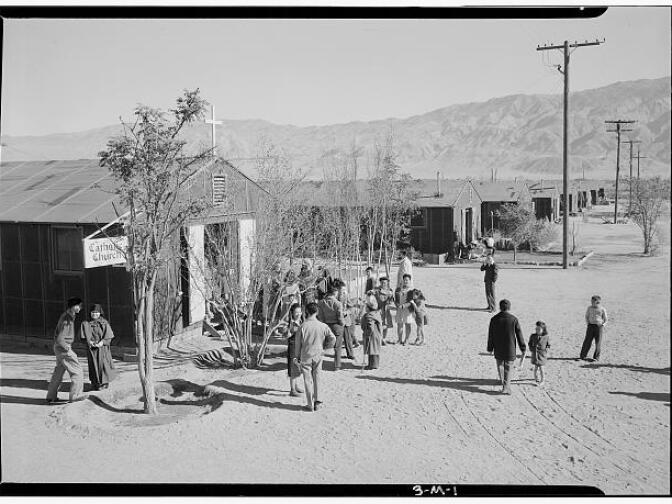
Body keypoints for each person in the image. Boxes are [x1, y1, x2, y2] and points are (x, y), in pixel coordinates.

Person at [293, 302, 336, 412]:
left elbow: (297, 344)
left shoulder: (302, 326)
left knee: (307, 380)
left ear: (306, 312)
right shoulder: (323, 326)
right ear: (317, 312)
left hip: (305, 356)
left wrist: (296, 357)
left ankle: (309, 404)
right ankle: (318, 400)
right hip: (318, 355)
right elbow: (333, 338)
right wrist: (326, 349)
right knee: (317, 378)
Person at [46, 297, 86, 403]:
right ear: (72, 306)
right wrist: (66, 347)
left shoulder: (66, 316)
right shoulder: (67, 319)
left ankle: (51, 396)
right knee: (77, 371)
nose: (79, 308)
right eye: (77, 306)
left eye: (80, 306)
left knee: (59, 371)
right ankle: (75, 395)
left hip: (58, 348)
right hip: (63, 348)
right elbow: (60, 338)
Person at [486, 299, 526, 395]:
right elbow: (519, 334)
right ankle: (506, 386)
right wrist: (523, 347)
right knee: (508, 366)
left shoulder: (494, 319)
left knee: (500, 365)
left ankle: (502, 381)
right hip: (510, 347)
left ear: (500, 307)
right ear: (509, 307)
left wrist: (490, 348)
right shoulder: (514, 319)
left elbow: (490, 335)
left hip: (498, 347)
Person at [81, 304, 117, 391]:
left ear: (100, 313)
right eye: (93, 312)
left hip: (102, 348)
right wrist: (89, 342)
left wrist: (102, 342)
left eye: (97, 312)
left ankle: (104, 383)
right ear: (90, 313)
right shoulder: (85, 323)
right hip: (91, 349)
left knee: (103, 365)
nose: (95, 314)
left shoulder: (104, 323)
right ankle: (95, 383)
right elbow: (82, 337)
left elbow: (108, 336)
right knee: (93, 365)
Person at [317, 285, 352, 370]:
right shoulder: (338, 303)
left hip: (326, 326)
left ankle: (318, 364)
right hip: (336, 326)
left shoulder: (321, 303)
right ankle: (337, 365)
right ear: (334, 293)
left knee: (322, 346)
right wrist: (343, 324)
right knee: (337, 347)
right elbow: (340, 317)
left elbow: (320, 316)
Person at [280, 303, 304, 397]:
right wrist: (289, 332)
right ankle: (292, 389)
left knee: (298, 366)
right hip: (293, 347)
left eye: (300, 312)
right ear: (292, 313)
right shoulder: (289, 322)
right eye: (296, 312)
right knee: (293, 367)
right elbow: (285, 335)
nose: (298, 314)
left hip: (300, 347)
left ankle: (296, 385)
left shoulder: (302, 320)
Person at [579, 295, 608, 362]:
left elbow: (605, 319)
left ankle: (596, 357)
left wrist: (603, 325)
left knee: (598, 342)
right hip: (590, 326)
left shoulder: (602, 309)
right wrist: (588, 323)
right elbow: (586, 316)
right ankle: (583, 356)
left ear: (598, 302)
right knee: (587, 341)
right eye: (591, 301)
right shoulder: (589, 308)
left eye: (593, 301)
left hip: (599, 327)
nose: (591, 302)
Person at [361, 294, 383, 370]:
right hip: (377, 334)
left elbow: (370, 325)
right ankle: (374, 364)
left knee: (371, 350)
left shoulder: (369, 315)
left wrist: (367, 332)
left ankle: (372, 365)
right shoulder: (376, 313)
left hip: (372, 335)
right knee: (375, 350)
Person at [394, 273, 414, 345]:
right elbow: (395, 299)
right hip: (399, 309)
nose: (405, 281)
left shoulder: (411, 290)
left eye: (407, 280)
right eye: (404, 280)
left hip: (408, 310)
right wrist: (397, 305)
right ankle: (399, 339)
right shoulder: (398, 289)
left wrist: (404, 306)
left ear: (410, 281)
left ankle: (407, 339)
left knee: (407, 324)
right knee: (399, 324)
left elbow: (411, 301)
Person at [528, 321, 550, 385]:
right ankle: (536, 377)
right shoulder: (533, 336)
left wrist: (546, 350)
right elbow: (529, 343)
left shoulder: (546, 337)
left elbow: (548, 345)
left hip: (542, 355)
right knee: (535, 368)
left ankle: (543, 380)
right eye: (536, 329)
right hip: (535, 355)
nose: (537, 330)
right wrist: (531, 349)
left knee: (541, 368)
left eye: (539, 329)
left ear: (543, 329)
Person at [374, 276, 394, 344]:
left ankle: (384, 338)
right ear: (380, 283)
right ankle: (379, 338)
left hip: (386, 310)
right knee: (379, 325)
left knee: (386, 324)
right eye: (382, 282)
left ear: (387, 283)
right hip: (378, 310)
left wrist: (391, 297)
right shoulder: (377, 291)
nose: (383, 284)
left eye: (385, 282)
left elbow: (391, 301)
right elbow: (373, 299)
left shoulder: (390, 291)